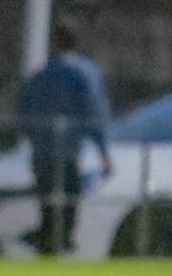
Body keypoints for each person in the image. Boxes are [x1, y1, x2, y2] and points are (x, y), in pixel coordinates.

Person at [16, 22, 112, 257]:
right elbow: (94, 111)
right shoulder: (83, 74)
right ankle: (60, 244)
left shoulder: (40, 75)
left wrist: (31, 137)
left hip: (42, 152)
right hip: (68, 152)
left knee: (47, 206)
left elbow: (22, 110)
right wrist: (103, 151)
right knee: (67, 206)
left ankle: (47, 244)